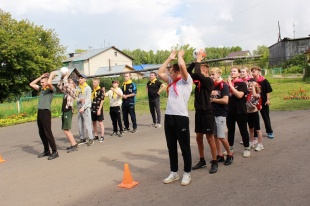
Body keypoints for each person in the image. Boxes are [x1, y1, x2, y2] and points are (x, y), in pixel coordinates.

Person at [157, 50, 193, 186]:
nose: (169, 74)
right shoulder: (171, 81)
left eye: (171, 71)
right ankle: (174, 172)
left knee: (184, 147)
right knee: (171, 147)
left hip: (181, 118)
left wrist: (179, 56)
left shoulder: (186, 81)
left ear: (177, 73)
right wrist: (169, 58)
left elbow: (183, 67)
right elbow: (160, 73)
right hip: (169, 117)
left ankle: (187, 173)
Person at [187, 50, 218, 174]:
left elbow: (197, 73)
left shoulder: (209, 81)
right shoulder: (198, 80)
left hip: (207, 112)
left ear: (205, 71)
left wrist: (199, 60)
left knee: (210, 138)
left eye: (200, 69)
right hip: (199, 112)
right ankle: (202, 160)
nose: (198, 70)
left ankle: (215, 161)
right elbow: (188, 73)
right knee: (199, 137)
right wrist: (195, 62)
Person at [29, 72, 58, 160]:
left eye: (43, 82)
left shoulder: (51, 89)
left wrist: (51, 76)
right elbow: (31, 84)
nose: (41, 84)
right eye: (41, 83)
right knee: (41, 132)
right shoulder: (42, 89)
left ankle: (55, 151)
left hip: (46, 111)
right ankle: (46, 150)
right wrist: (41, 77)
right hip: (40, 111)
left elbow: (49, 83)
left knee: (47, 132)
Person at [49, 71, 79, 153]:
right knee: (65, 129)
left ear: (74, 85)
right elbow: (60, 86)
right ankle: (73, 144)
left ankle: (74, 145)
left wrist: (66, 76)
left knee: (66, 129)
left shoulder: (73, 91)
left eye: (71, 82)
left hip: (68, 111)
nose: (69, 83)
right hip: (65, 111)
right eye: (69, 82)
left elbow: (66, 85)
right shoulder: (67, 91)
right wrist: (62, 78)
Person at [209, 67, 234, 165]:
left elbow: (225, 100)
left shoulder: (224, 85)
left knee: (221, 136)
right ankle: (220, 155)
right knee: (215, 135)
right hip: (212, 113)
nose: (211, 76)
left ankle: (230, 154)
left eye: (213, 74)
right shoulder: (212, 85)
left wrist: (213, 100)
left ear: (219, 74)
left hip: (221, 114)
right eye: (210, 74)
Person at [226, 67, 251, 158]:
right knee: (230, 130)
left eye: (234, 71)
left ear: (239, 73)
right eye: (231, 71)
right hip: (230, 111)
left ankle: (247, 148)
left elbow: (240, 95)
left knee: (243, 130)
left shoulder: (242, 84)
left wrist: (230, 85)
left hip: (240, 111)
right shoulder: (227, 84)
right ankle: (230, 148)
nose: (232, 73)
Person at [251, 66, 274, 139]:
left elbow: (268, 91)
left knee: (265, 117)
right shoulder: (251, 81)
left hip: (263, 101)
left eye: (254, 71)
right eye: (252, 71)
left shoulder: (264, 80)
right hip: (254, 102)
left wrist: (268, 100)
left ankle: (269, 131)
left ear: (258, 71)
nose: (253, 73)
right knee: (254, 118)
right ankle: (255, 133)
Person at [246, 80, 264, 151]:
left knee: (258, 129)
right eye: (249, 86)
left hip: (254, 113)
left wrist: (254, 87)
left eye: (252, 86)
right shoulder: (247, 95)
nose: (250, 87)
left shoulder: (257, 94)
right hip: (248, 113)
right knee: (250, 129)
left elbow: (255, 95)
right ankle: (251, 142)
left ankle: (260, 144)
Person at [76, 74, 94, 146]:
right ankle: (82, 138)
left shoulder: (88, 88)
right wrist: (79, 100)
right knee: (80, 124)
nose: (79, 79)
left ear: (85, 79)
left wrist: (84, 107)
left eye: (81, 78)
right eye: (79, 78)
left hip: (85, 108)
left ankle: (91, 138)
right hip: (79, 108)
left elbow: (88, 99)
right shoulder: (78, 88)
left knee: (87, 124)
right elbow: (75, 97)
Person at [91, 77, 105, 142]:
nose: (93, 84)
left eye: (95, 82)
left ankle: (102, 136)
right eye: (93, 82)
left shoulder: (100, 91)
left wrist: (99, 109)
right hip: (93, 108)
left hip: (98, 108)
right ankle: (96, 135)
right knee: (94, 122)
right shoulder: (92, 90)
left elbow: (102, 100)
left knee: (100, 122)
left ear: (98, 83)